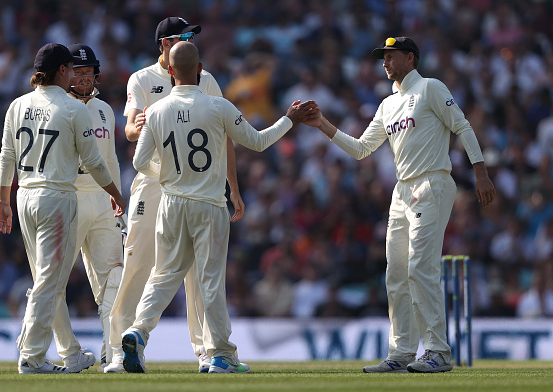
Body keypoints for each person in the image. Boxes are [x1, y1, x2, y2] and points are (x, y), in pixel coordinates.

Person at [121, 41, 318, 374]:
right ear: (200, 69)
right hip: (209, 206)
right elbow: (257, 142)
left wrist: (168, 175)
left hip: (171, 204)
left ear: (170, 72)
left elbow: (140, 162)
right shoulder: (219, 106)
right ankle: (222, 355)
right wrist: (289, 119)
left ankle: (138, 331)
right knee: (209, 281)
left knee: (164, 275)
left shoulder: (154, 112)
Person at [305, 37, 496, 373]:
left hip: (432, 181)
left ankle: (437, 351)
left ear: (410, 58)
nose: (385, 63)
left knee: (420, 268)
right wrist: (323, 124)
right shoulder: (387, 105)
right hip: (402, 190)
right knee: (395, 274)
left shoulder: (431, 88)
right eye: (383, 57)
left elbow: (463, 127)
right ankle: (402, 352)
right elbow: (363, 148)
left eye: (391, 57)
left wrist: (480, 172)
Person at [106, 16, 244, 373]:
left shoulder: (206, 79)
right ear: (165, 43)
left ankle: (208, 351)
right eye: (184, 36)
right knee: (138, 262)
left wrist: (233, 185)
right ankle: (121, 351)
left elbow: (224, 133)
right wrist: (143, 123)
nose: (191, 41)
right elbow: (130, 130)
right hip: (154, 180)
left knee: (199, 273)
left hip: (198, 184)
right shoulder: (142, 78)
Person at [0, 43, 126, 374]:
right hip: (57, 197)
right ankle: (31, 354)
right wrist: (117, 193)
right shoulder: (72, 109)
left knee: (49, 279)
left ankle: (71, 354)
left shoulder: (17, 105)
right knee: (48, 281)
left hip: (25, 196)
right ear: (61, 70)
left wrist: (2, 201)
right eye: (71, 68)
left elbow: (7, 156)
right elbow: (95, 161)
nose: (76, 75)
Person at [59, 43, 124, 373]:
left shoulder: (104, 110)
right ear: (66, 74)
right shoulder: (58, 106)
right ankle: (58, 352)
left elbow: (110, 158)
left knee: (114, 279)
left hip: (102, 202)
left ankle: (113, 352)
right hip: (67, 200)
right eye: (78, 72)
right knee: (52, 283)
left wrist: (118, 198)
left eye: (89, 71)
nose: (84, 77)